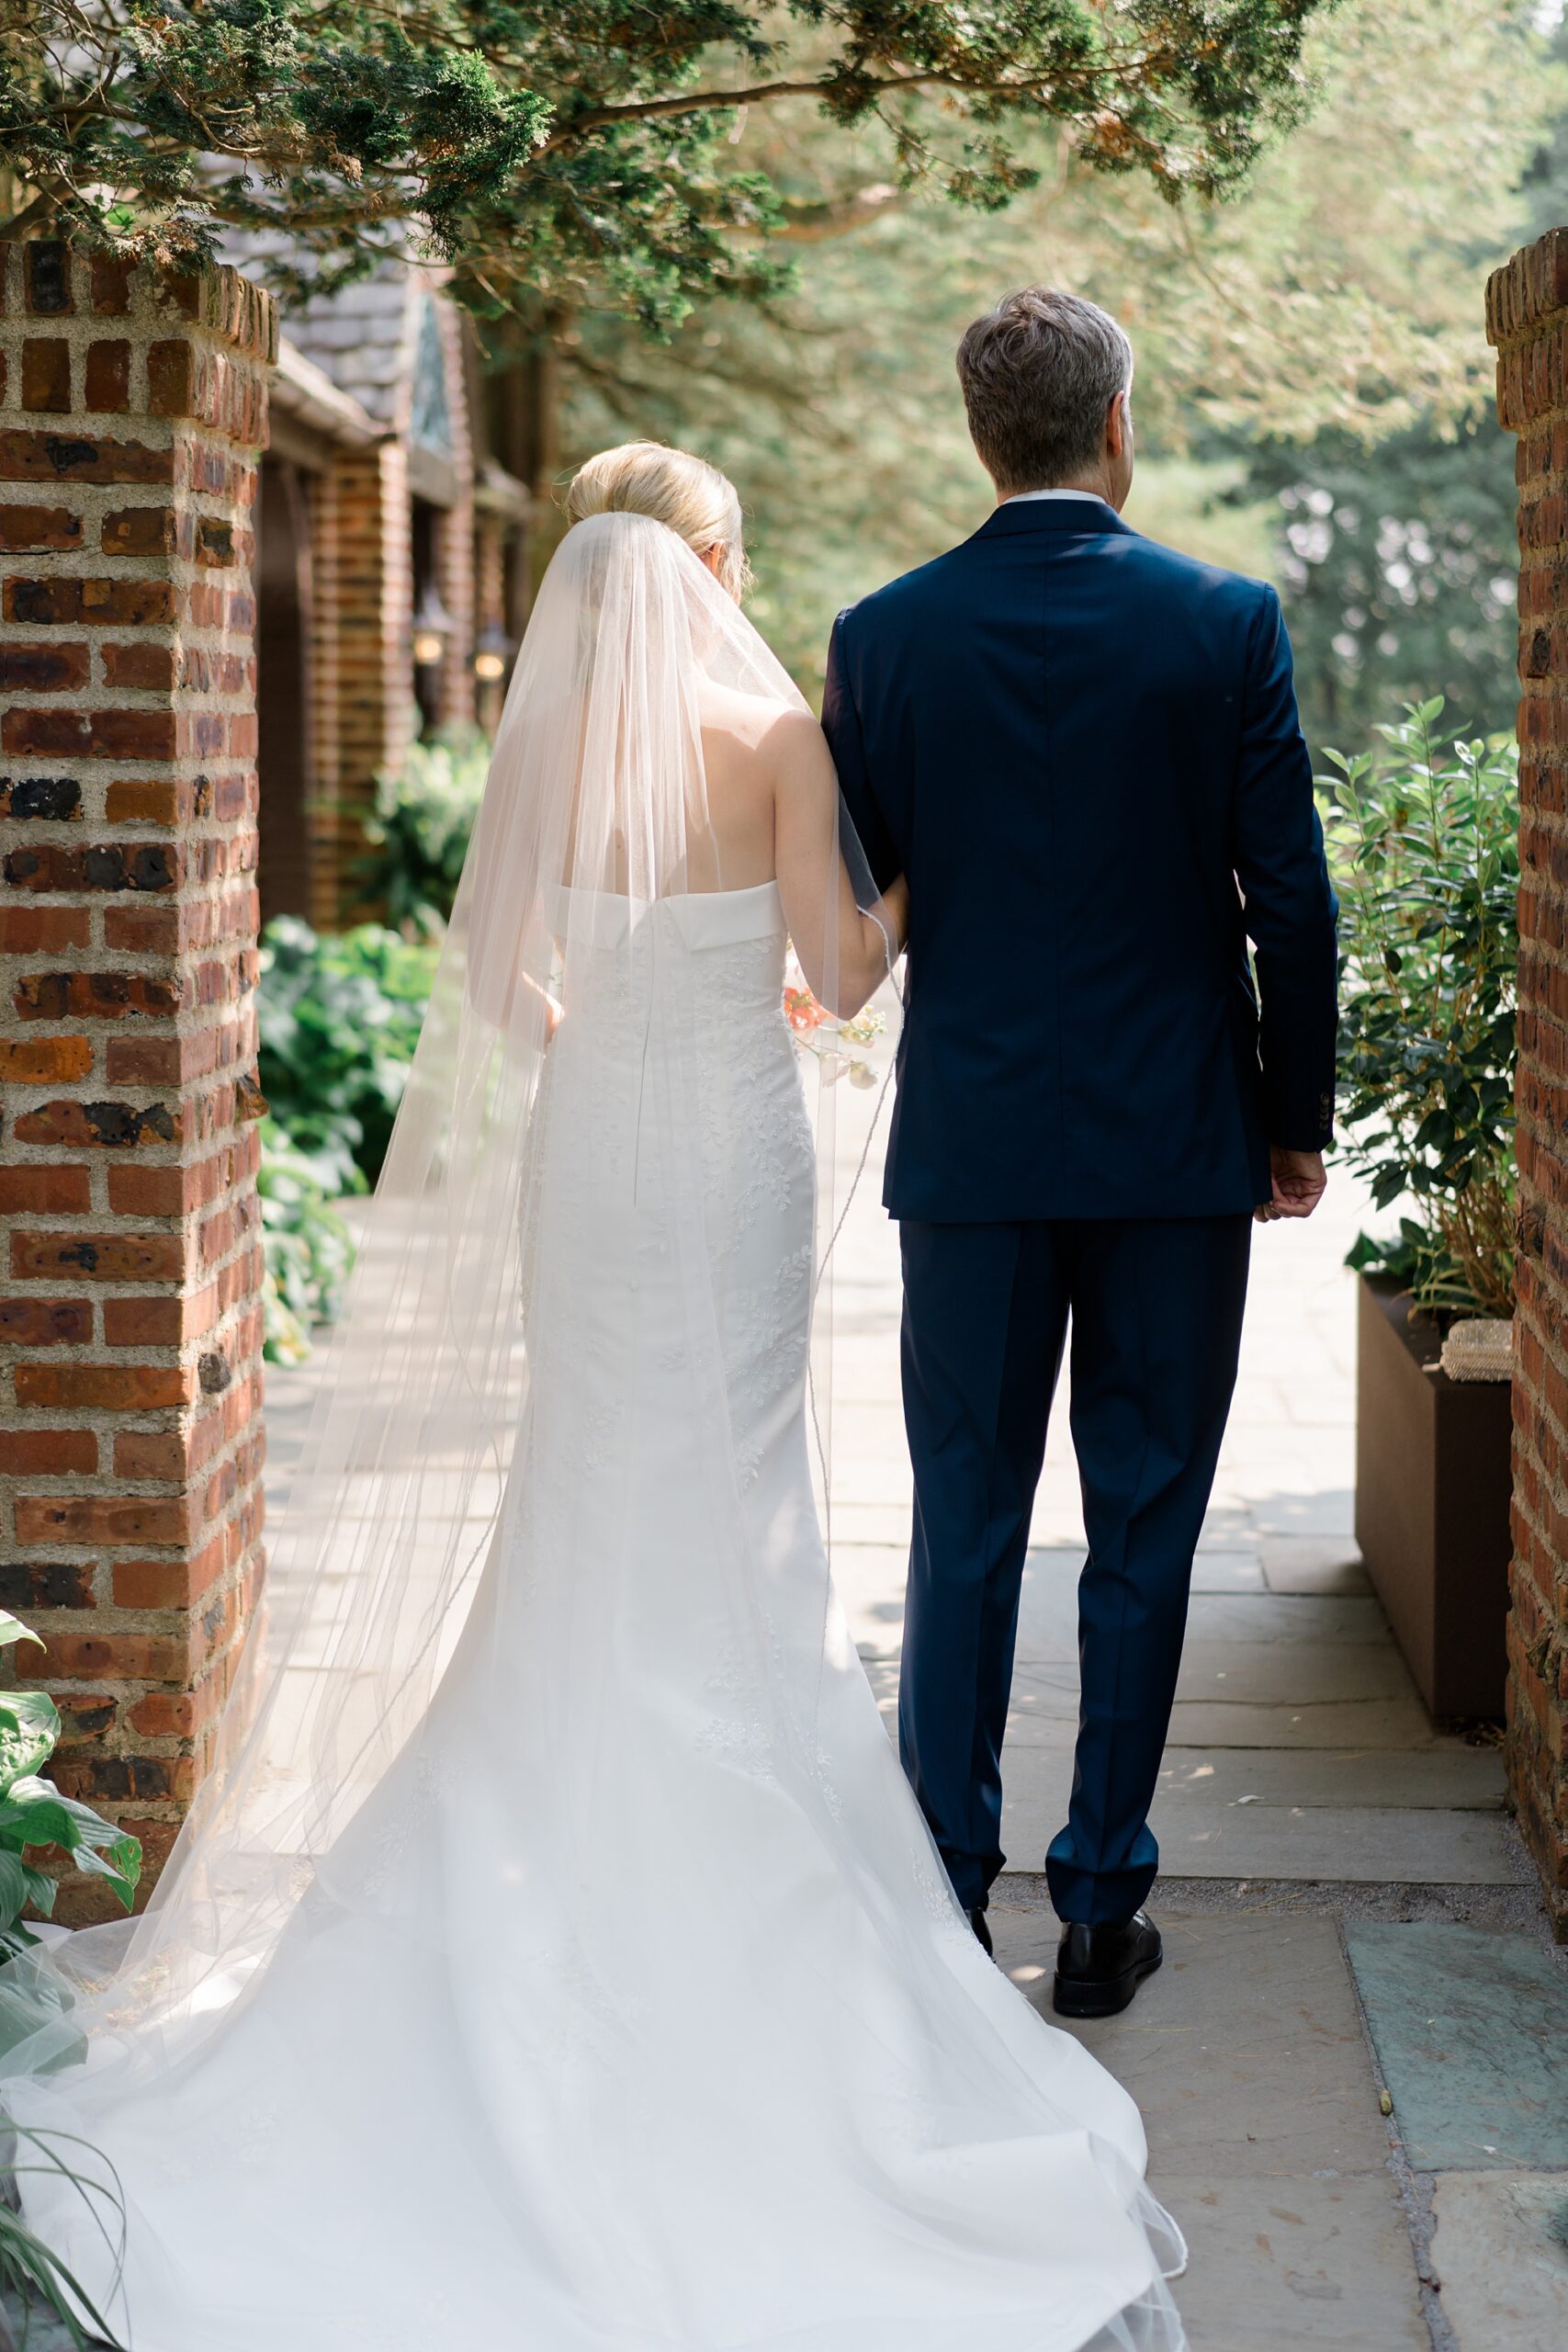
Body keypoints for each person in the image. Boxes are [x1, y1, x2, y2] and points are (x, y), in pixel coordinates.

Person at [2, 442, 1190, 2352]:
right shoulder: (782, 740)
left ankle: (532, 1868)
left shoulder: (546, 746)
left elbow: (489, 975)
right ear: (710, 560)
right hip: (724, 1148)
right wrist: (911, 889)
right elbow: (842, 971)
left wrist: (594, 1020)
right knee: (731, 1508)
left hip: (592, 1147)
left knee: (583, 1487)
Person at [823, 288, 1338, 2020]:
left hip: (972, 1148)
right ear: (1116, 422)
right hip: (1174, 1147)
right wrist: (1292, 1124)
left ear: (987, 439)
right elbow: (1295, 909)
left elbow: (860, 902)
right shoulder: (1224, 623)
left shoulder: (883, 638)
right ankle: (1103, 1911)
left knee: (961, 1519)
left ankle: (943, 1897)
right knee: (1145, 1524)